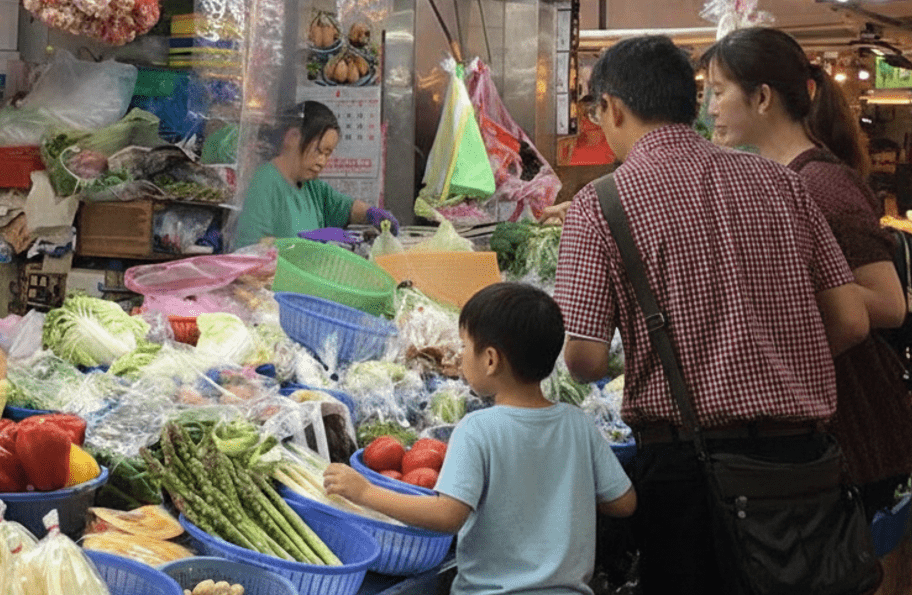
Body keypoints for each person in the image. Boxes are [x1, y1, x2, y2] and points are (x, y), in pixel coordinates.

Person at [553, 35, 869, 594]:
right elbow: (850, 320)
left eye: (594, 110)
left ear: (614, 108)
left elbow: (584, 359)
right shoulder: (783, 183)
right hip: (804, 463)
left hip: (690, 475)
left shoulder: (601, 203)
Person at [702, 27, 912, 594]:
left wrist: (783, 311)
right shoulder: (780, 179)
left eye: (719, 92)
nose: (711, 108)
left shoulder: (823, 184)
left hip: (857, 422)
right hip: (828, 421)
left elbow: (890, 303)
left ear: (763, 97)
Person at [324, 282, 636, 595]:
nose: (460, 356)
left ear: (490, 359)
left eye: (464, 346)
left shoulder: (477, 430)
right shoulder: (577, 424)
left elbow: (447, 516)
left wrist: (365, 492)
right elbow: (624, 502)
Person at [233, 100, 398, 247]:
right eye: (318, 150)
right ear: (293, 137)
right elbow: (249, 248)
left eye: (327, 154)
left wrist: (372, 213)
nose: (322, 162)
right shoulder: (265, 182)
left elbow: (345, 208)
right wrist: (302, 244)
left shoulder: (312, 186)